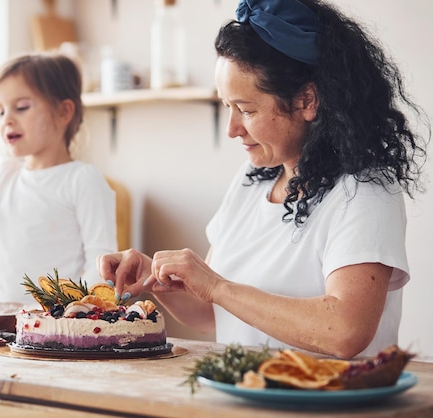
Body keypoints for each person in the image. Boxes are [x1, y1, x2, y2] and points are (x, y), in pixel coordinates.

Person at [99, 0, 429, 359]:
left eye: (247, 109)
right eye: (228, 107)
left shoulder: (365, 190)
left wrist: (217, 286)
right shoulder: (252, 179)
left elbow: (345, 330)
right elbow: (211, 312)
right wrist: (155, 279)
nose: (232, 129)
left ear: (307, 100)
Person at [0, 53, 118, 304]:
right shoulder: (4, 175)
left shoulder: (82, 180)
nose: (7, 120)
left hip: (51, 326)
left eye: (22, 107)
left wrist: (76, 312)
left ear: (63, 111)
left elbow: (101, 260)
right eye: (0, 111)